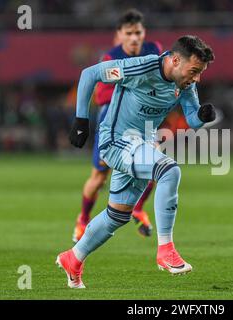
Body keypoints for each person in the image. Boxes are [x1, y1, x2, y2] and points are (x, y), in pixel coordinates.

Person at [56, 35, 216, 288]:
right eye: (195, 71)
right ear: (175, 60)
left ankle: (73, 258)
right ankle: (166, 250)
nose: (197, 78)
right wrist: (81, 120)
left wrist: (202, 115)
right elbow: (90, 74)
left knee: (116, 217)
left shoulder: (184, 85)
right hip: (117, 141)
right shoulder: (142, 67)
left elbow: (193, 120)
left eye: (200, 73)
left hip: (142, 147)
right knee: (169, 171)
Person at [72, 9, 162, 243]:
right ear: (119, 35)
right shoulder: (111, 59)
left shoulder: (155, 51)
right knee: (99, 177)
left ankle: (138, 208)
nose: (134, 37)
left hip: (142, 122)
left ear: (144, 33)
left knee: (155, 166)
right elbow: (103, 95)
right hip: (112, 123)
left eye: (138, 32)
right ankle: (82, 219)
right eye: (129, 33)